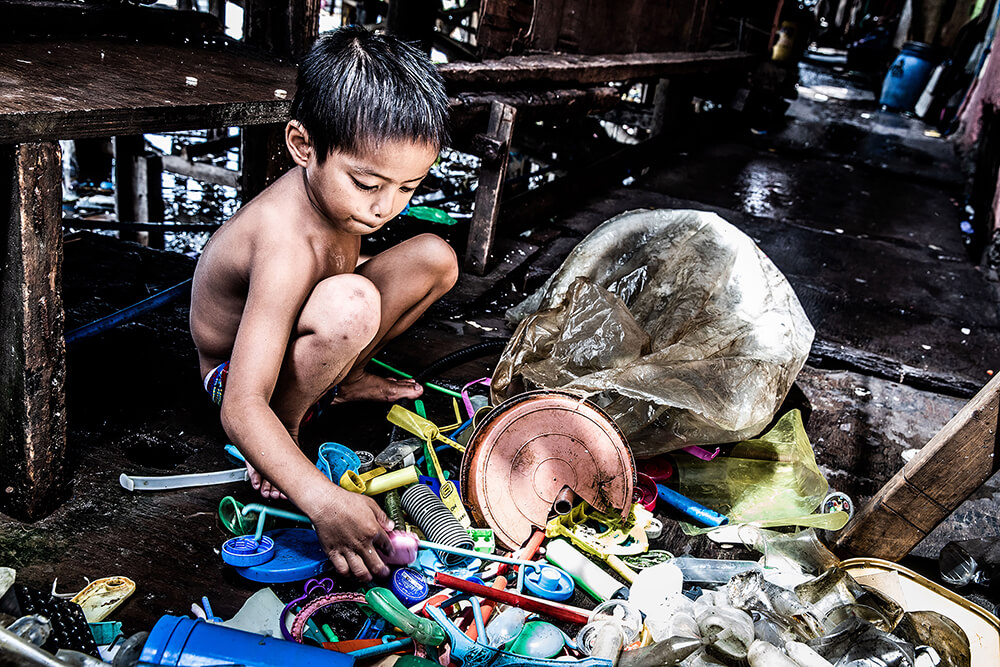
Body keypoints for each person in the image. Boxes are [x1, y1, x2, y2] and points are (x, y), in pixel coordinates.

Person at [188, 26, 457, 582]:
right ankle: (278, 441)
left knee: (436, 257)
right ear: (303, 145)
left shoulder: (343, 203)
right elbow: (240, 405)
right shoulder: (285, 242)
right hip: (237, 375)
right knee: (353, 303)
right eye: (367, 184)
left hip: (300, 327)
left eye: (408, 188)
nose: (386, 207)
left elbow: (361, 261)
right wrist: (321, 499)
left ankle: (344, 378)